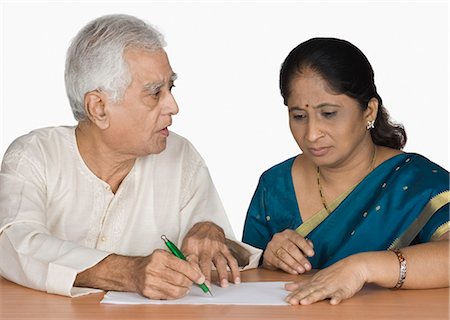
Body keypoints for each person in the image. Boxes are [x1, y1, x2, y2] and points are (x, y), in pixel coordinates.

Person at [0, 14, 260, 299]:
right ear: (98, 107)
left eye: (170, 88)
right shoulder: (34, 156)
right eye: (155, 93)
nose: (173, 106)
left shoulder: (181, 155)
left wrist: (213, 233)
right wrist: (128, 272)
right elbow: (13, 243)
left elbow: (225, 258)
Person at [242, 37, 449, 305]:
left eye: (328, 113)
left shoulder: (416, 181)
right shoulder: (275, 185)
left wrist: (364, 268)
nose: (312, 134)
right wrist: (266, 258)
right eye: (299, 117)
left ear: (369, 111)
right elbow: (245, 282)